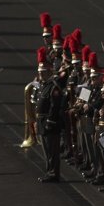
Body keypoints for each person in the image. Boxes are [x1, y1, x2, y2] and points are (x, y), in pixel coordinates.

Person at [35, 48, 63, 182]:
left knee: (52, 151)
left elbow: (54, 106)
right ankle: (49, 171)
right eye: (40, 72)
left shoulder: (53, 86)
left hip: (49, 123)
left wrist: (49, 122)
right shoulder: (44, 85)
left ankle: (53, 173)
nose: (40, 75)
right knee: (46, 150)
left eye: (43, 72)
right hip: (42, 121)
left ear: (49, 72)